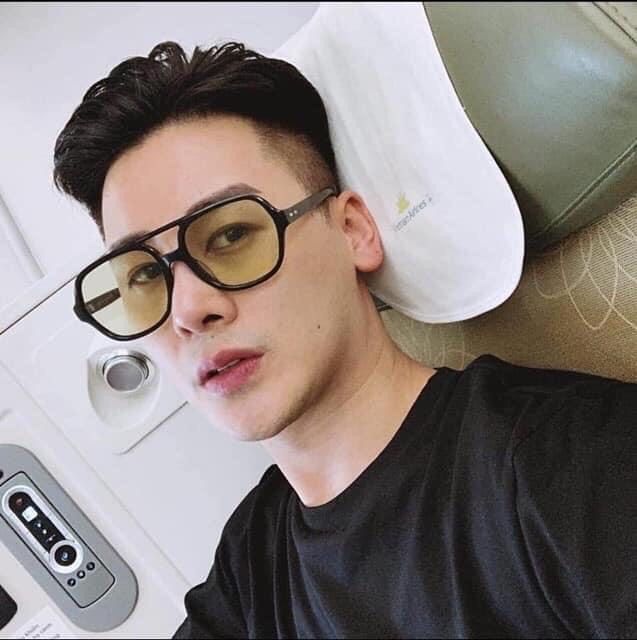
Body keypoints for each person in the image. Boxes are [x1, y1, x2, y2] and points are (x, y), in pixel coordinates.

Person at [53, 41, 636, 639]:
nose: (189, 310)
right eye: (144, 277)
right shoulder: (250, 567)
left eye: (230, 235)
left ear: (353, 231)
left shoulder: (567, 468)